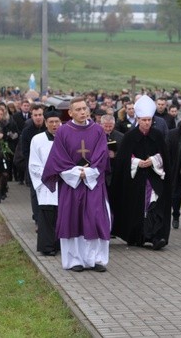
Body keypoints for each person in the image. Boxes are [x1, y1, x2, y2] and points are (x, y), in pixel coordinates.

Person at [42, 96, 111, 272]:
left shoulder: (98, 131)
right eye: (78, 109)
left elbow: (102, 155)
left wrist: (87, 173)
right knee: (72, 220)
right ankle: (74, 261)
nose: (82, 112)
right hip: (71, 185)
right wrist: (75, 173)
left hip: (92, 184)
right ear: (70, 112)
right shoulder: (63, 131)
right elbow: (58, 158)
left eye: (84, 109)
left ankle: (95, 260)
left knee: (95, 219)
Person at [111, 95, 171, 250]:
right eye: (144, 120)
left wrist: (154, 160)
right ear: (138, 119)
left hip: (154, 177)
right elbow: (124, 159)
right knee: (137, 208)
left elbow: (165, 155)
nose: (147, 123)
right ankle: (138, 236)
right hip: (136, 179)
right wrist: (137, 162)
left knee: (154, 205)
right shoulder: (130, 136)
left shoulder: (157, 135)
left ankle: (156, 237)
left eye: (149, 120)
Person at [29, 111, 62, 256]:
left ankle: (60, 244)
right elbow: (34, 164)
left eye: (57, 122)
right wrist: (50, 173)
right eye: (51, 122)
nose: (54, 125)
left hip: (63, 181)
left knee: (61, 215)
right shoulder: (37, 139)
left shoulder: (65, 138)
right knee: (47, 215)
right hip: (46, 183)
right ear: (46, 122)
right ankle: (47, 247)